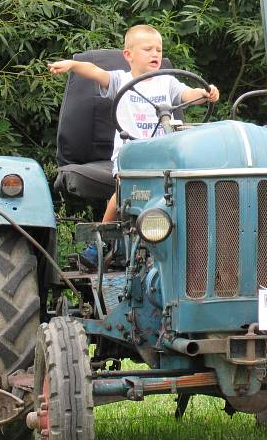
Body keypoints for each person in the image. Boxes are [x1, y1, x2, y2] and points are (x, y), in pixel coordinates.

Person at [48, 24, 219, 266]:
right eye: (148, 49)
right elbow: (95, 71)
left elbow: (187, 94)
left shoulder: (167, 82)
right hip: (131, 154)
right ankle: (101, 242)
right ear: (128, 55)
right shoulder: (120, 80)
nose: (155, 54)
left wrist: (205, 93)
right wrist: (73, 65)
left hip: (164, 155)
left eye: (159, 49)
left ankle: (194, 247)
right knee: (122, 192)